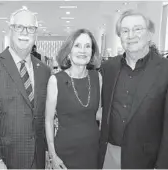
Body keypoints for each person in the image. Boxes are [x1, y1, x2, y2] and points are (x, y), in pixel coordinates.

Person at [98, 10, 168, 169]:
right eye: (125, 31)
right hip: (109, 154)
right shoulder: (108, 68)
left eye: (137, 29)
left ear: (149, 34)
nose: (131, 35)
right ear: (120, 36)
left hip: (145, 160)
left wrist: (164, 166)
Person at [0, 8, 51, 169]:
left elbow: (41, 116)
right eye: (19, 27)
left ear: (35, 33)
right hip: (4, 160)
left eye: (30, 28)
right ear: (10, 29)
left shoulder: (44, 70)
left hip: (37, 159)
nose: (25, 32)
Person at [45, 28, 102, 169]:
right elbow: (48, 120)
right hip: (65, 153)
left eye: (87, 46)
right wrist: (53, 155)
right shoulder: (55, 80)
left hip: (93, 151)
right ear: (68, 52)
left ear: (92, 52)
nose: (82, 51)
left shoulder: (97, 77)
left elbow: (98, 114)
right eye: (77, 45)